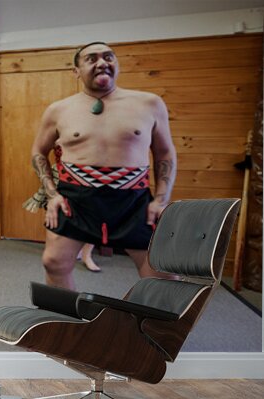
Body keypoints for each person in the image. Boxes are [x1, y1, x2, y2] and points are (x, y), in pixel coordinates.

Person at [31, 41, 176, 290]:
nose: (102, 63)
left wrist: (161, 200)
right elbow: (38, 152)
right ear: (76, 71)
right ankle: (65, 324)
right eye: (91, 58)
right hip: (75, 199)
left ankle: (152, 328)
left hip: (133, 201)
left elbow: (165, 154)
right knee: (54, 262)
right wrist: (52, 195)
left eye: (109, 57)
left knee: (161, 274)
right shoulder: (58, 110)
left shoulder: (149, 104)